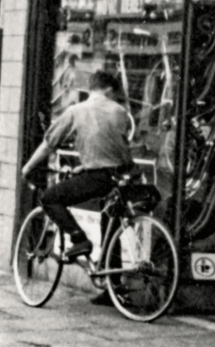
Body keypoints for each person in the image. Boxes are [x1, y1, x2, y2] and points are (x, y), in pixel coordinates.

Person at [22, 69, 135, 261]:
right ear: (108, 90)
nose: (115, 99)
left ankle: (79, 239)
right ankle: (112, 285)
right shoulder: (121, 112)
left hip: (99, 177)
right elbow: (112, 146)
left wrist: (27, 168)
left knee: (49, 198)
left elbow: (48, 145)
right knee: (110, 225)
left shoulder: (76, 111)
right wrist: (86, 166)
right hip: (122, 176)